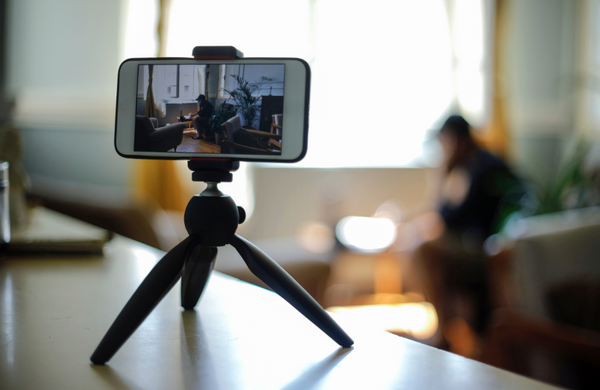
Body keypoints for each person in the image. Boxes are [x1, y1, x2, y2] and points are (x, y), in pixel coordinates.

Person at [415, 114, 523, 355]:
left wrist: (443, 172)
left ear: (456, 141)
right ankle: (450, 330)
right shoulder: (487, 162)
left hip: (486, 251)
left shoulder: (476, 168)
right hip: (491, 247)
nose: (443, 150)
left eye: (445, 143)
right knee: (427, 247)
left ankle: (443, 332)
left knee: (424, 250)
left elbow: (449, 215)